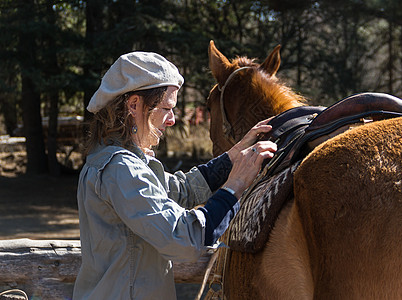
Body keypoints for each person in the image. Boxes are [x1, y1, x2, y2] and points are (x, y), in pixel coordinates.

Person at [73, 51, 277, 300]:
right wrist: (235, 186)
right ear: (134, 105)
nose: (172, 120)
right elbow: (184, 239)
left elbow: (180, 190)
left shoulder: (115, 159)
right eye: (166, 108)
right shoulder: (121, 169)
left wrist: (234, 155)